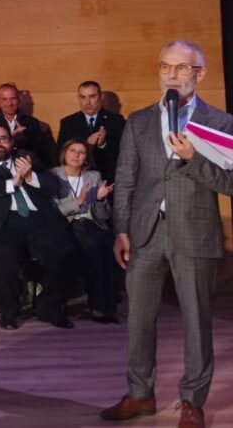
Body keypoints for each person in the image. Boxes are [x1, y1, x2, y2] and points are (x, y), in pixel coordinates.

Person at [101, 40, 233, 428]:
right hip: (145, 233)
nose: (171, 75)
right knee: (139, 320)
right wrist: (122, 229)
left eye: (181, 68)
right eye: (165, 67)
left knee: (196, 321)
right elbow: (126, 178)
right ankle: (140, 394)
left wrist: (193, 160)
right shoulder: (139, 120)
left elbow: (230, 183)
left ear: (199, 74)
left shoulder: (219, 122)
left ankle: (192, 402)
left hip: (195, 232)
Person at [0, 124, 76, 330]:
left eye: (3, 139)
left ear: (11, 141)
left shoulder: (26, 157)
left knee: (64, 249)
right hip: (1, 222)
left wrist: (31, 177)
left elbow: (53, 185)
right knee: (4, 256)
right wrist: (11, 183)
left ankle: (48, 306)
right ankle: (9, 311)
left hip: (36, 220)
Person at [50, 139, 118, 323]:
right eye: (72, 150)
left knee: (110, 247)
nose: (76, 155)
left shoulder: (94, 176)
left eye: (81, 152)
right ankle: (98, 307)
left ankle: (108, 307)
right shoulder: (53, 175)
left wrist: (100, 200)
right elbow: (54, 210)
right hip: (67, 224)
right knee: (94, 248)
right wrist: (78, 202)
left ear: (86, 158)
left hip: (93, 223)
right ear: (64, 154)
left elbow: (104, 215)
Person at [57, 80, 126, 182]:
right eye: (83, 97)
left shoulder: (116, 120)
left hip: (108, 179)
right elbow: (61, 153)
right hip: (78, 180)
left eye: (92, 96)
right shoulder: (68, 122)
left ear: (101, 97)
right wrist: (86, 144)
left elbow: (124, 153)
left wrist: (103, 144)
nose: (87, 102)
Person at [0, 82, 55, 166]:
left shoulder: (32, 122)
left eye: (13, 98)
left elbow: (42, 154)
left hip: (24, 166)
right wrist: (7, 139)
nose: (9, 103)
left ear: (18, 99)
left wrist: (23, 140)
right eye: (4, 99)